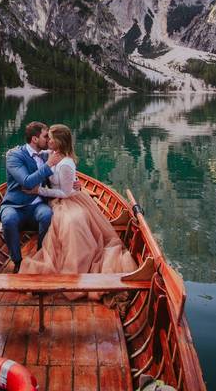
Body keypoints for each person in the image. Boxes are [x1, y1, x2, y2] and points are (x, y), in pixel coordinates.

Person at [19, 123, 136, 300]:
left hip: (67, 199)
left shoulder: (66, 163)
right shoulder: (51, 154)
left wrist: (38, 191)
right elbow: (34, 153)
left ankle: (76, 269)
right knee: (66, 223)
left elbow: (65, 192)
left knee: (72, 223)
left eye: (50, 138)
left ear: (58, 141)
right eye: (47, 137)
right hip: (58, 200)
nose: (48, 140)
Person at [0, 121, 55, 273]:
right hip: (14, 205)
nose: (49, 140)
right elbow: (26, 182)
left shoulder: (46, 155)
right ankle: (17, 261)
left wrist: (75, 184)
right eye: (45, 136)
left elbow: (59, 177)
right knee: (8, 219)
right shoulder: (14, 156)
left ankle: (39, 257)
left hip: (37, 205)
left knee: (47, 215)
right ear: (35, 139)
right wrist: (48, 166)